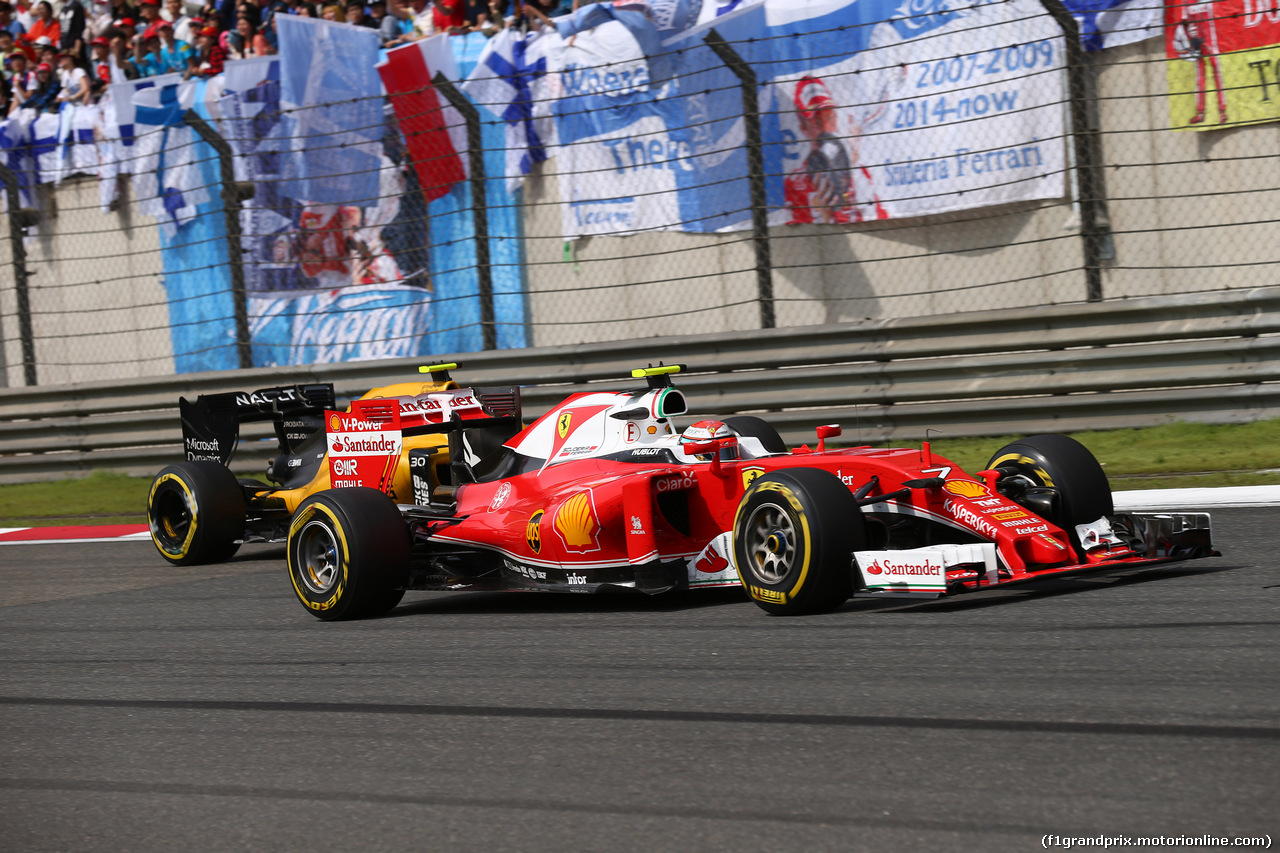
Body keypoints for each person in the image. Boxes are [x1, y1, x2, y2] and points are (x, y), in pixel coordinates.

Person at [784, 75, 886, 225]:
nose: (825, 128)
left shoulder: (860, 171)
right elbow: (799, 233)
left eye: (829, 118)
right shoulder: (795, 184)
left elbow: (877, 217)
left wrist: (852, 168)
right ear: (803, 127)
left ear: (836, 118)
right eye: (817, 122)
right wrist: (825, 215)